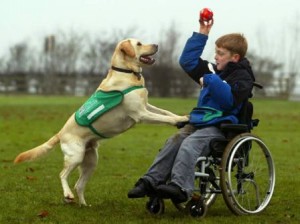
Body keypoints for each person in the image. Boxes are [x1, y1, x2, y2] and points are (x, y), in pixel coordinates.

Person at [127, 14, 255, 203]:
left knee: (189, 144)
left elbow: (229, 101)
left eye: (220, 53)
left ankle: (180, 187)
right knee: (174, 140)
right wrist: (202, 33)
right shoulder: (213, 70)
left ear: (235, 57)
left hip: (222, 127)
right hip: (200, 122)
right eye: (216, 51)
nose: (215, 56)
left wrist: (210, 79)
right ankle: (151, 181)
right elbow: (187, 62)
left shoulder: (243, 78)